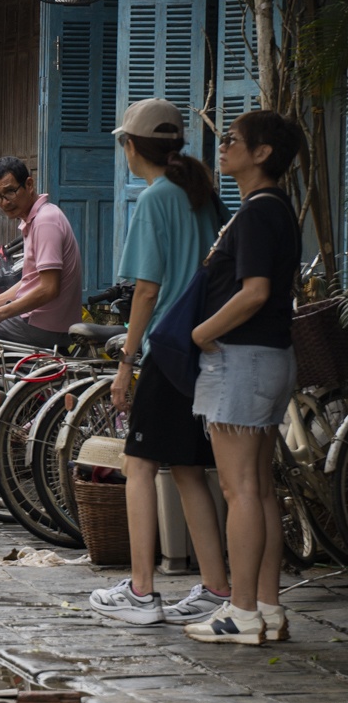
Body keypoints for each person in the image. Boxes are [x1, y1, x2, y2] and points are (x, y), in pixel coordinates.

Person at [89, 99, 231, 627]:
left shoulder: (154, 199)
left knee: (140, 466)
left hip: (167, 350)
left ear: (131, 146)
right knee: (189, 470)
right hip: (202, 349)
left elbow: (146, 291)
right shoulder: (201, 194)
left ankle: (142, 591)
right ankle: (215, 587)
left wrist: (126, 364)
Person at [185, 109, 305, 646]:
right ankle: (267, 607)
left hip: (242, 359)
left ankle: (241, 611)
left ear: (262, 153)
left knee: (241, 490)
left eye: (232, 139)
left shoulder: (258, 212)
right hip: (268, 357)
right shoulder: (276, 208)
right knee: (258, 489)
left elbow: (254, 292)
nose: (223, 146)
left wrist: (200, 332)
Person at [0, 155, 83, 347]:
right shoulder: (36, 218)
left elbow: (49, 289)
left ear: (29, 185)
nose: (4, 202)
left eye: (10, 192)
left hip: (44, 326)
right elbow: (32, 280)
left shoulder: (45, 221)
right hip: (43, 322)